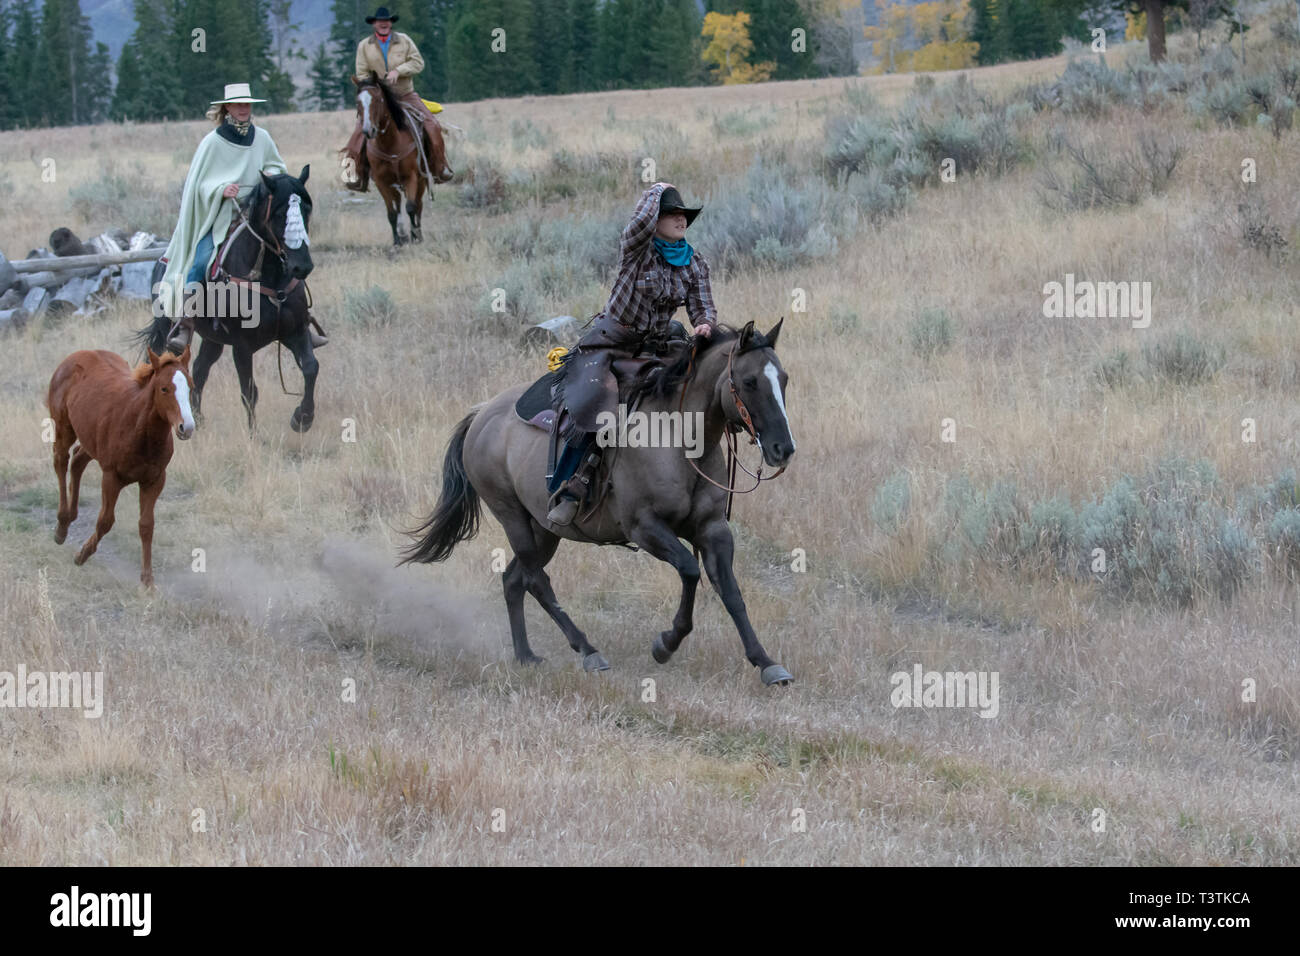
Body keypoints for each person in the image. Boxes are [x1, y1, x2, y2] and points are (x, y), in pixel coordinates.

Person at [546, 182, 715, 525]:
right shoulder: (637, 248)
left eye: (683, 214)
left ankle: (693, 481)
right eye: (672, 214)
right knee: (594, 402)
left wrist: (704, 325)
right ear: (655, 221)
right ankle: (570, 487)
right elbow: (637, 224)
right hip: (613, 342)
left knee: (699, 389)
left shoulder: (695, 262)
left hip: (657, 345)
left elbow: (703, 307)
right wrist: (658, 191)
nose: (681, 220)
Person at [159, 82, 327, 352]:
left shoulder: (262, 138)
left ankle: (301, 322)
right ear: (227, 107)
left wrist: (271, 177)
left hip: (256, 215)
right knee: (200, 261)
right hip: (220, 217)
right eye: (238, 104)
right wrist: (220, 189)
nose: (243, 109)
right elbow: (197, 185)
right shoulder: (212, 143)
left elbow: (275, 166)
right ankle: (185, 324)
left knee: (289, 252)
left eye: (247, 104)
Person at [343, 6, 454, 193]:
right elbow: (361, 73)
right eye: (380, 21)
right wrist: (376, 86)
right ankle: (354, 175)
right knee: (357, 134)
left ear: (391, 23)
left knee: (432, 124)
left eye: (387, 21)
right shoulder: (364, 46)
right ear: (374, 24)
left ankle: (440, 167)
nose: (383, 23)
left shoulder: (404, 41)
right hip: (377, 100)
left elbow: (418, 63)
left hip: (405, 94)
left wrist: (399, 71)